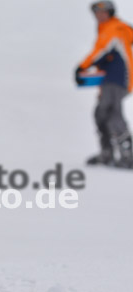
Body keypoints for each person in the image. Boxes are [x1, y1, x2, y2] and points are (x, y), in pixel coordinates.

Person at [75, 1, 133, 168]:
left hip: (118, 79)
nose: (99, 16)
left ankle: (128, 155)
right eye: (97, 13)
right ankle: (107, 153)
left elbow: (101, 50)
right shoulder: (106, 29)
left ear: (110, 13)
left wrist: (82, 67)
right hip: (109, 81)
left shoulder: (115, 28)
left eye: (103, 12)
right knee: (101, 113)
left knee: (112, 112)